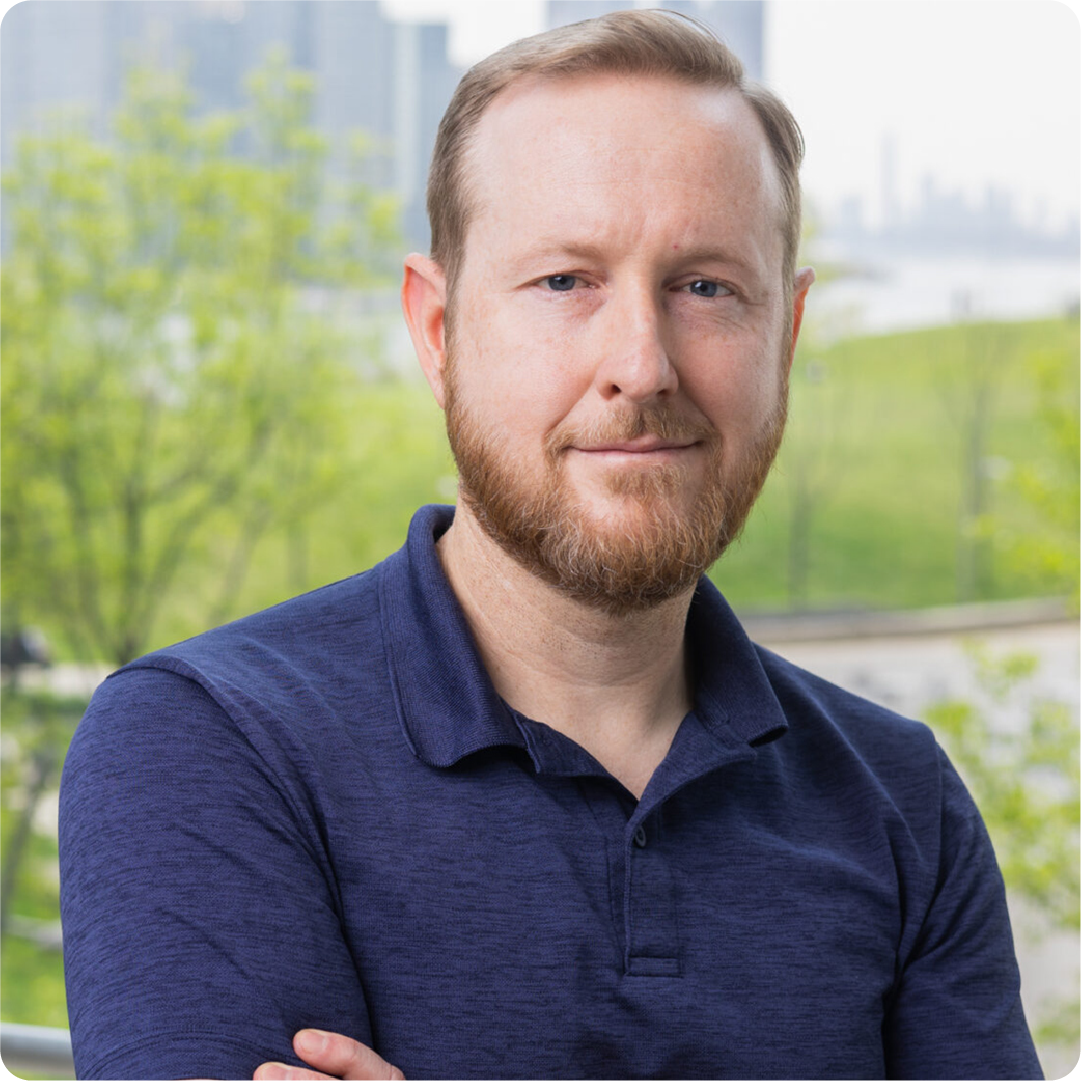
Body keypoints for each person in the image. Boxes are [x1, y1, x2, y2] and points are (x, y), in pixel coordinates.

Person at [58, 10, 1043, 1081]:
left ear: (787, 339)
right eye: (565, 280)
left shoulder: (902, 798)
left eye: (705, 286)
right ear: (438, 332)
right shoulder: (208, 744)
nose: (641, 363)